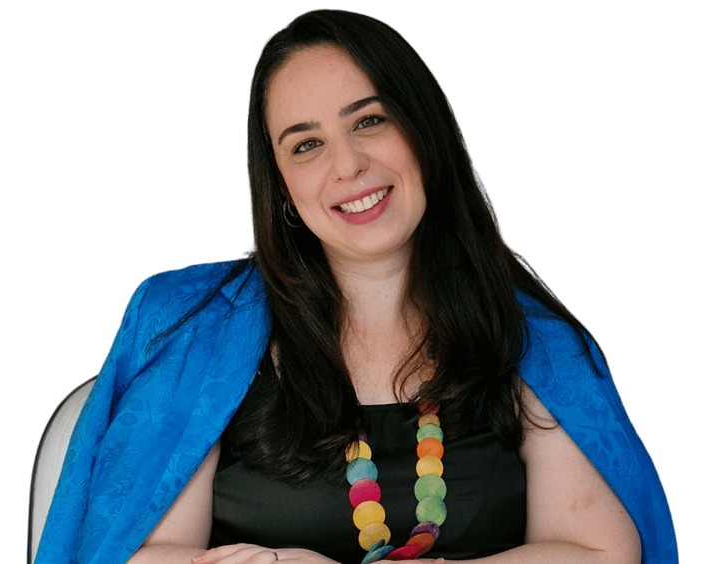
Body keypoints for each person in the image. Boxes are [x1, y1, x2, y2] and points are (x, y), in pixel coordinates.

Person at [33, 8, 678, 564]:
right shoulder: (197, 335)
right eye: (305, 145)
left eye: (368, 121)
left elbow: (600, 551)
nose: (347, 165)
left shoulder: (530, 342)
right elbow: (132, 552)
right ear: (282, 188)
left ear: (423, 130)